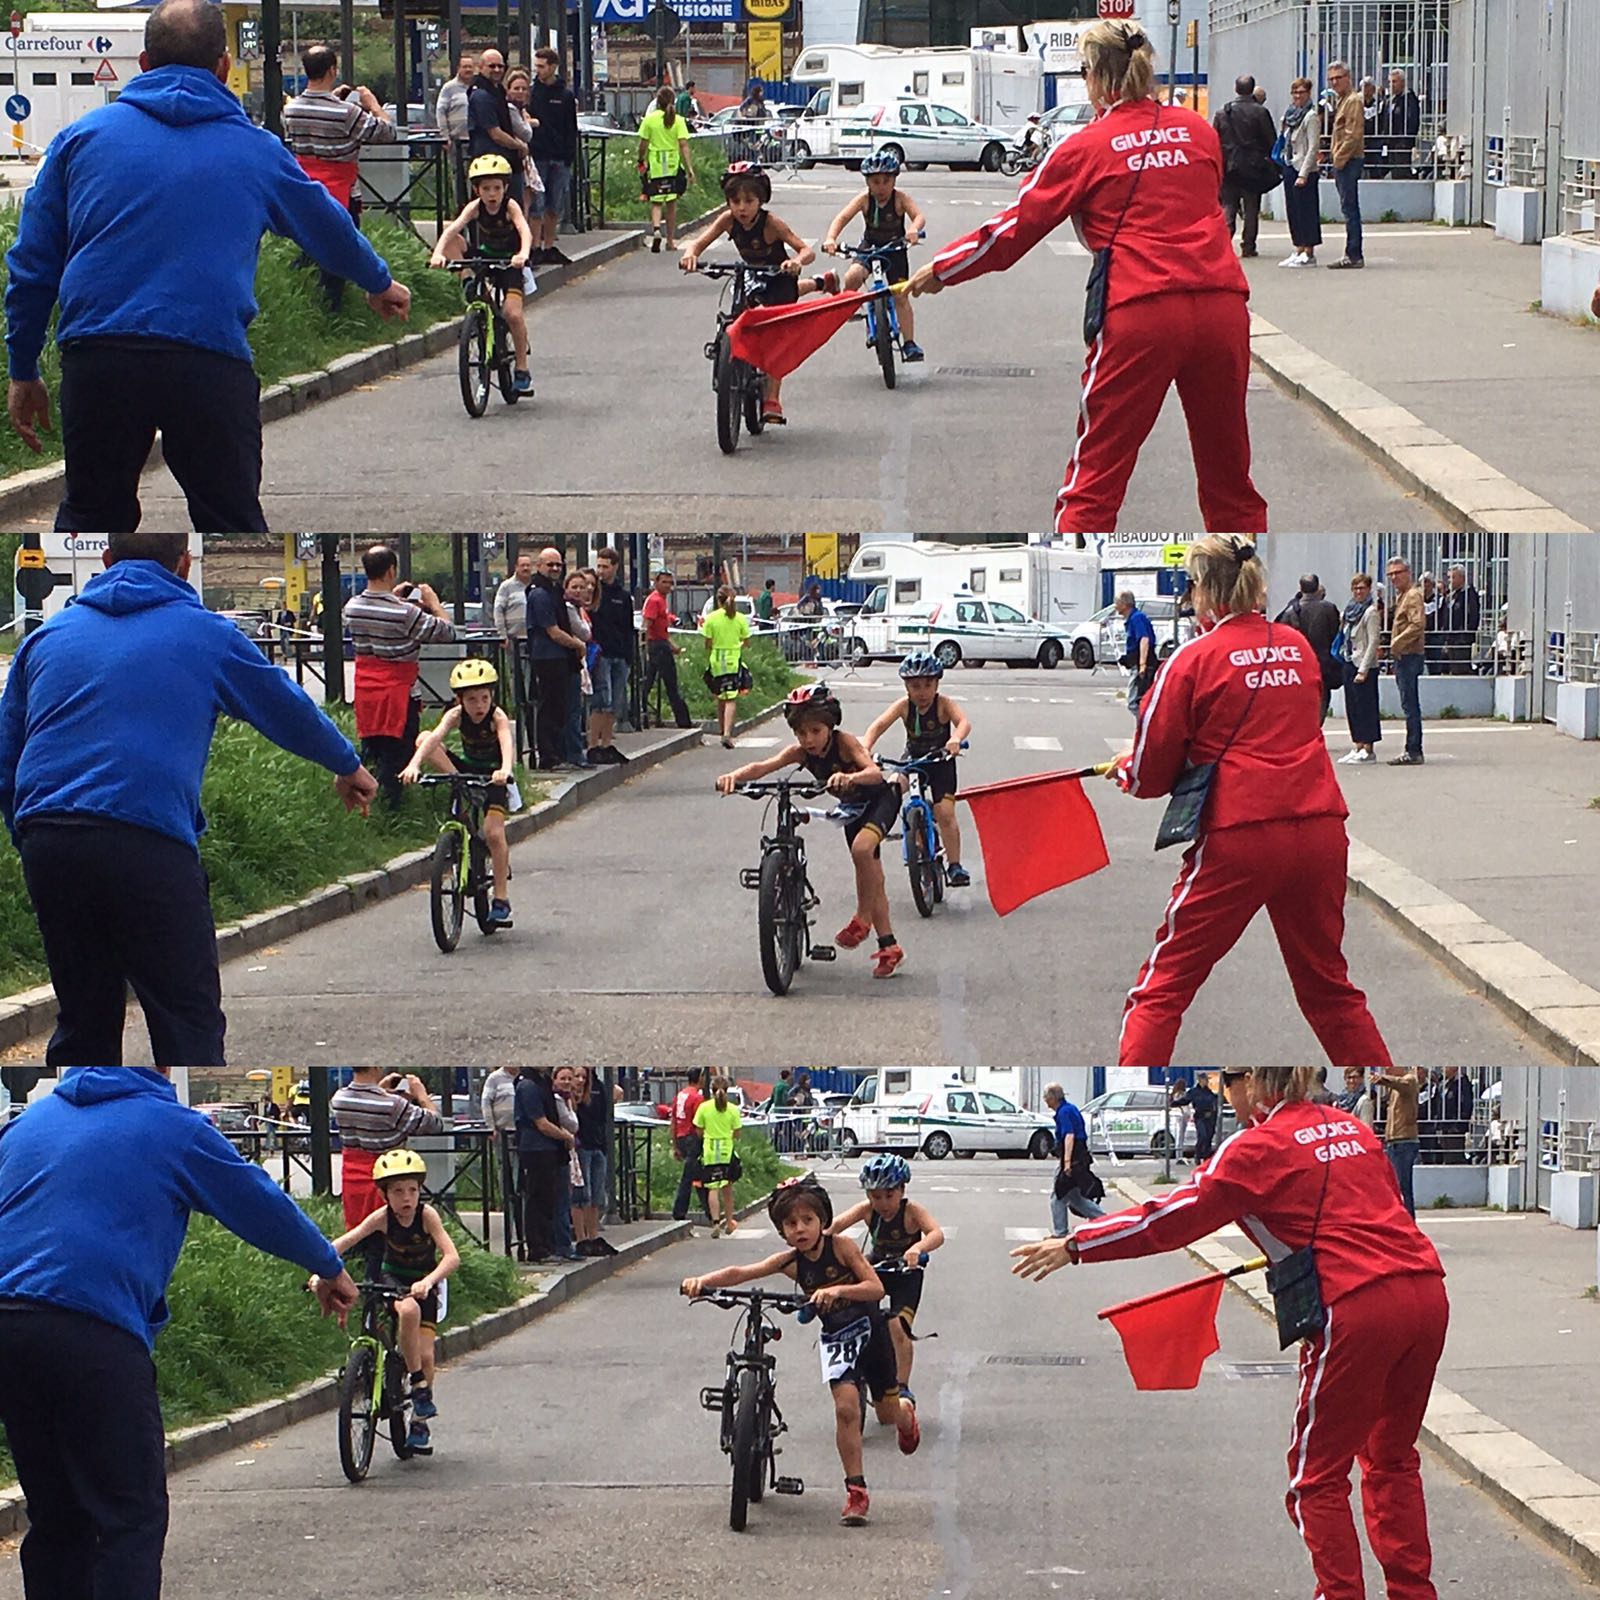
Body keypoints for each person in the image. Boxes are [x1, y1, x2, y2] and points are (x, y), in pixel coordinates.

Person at [1014, 1065, 1449, 1600]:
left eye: (1226, 1082)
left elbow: (1170, 1218)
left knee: (1315, 1479)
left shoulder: (1254, 1147)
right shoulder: (1350, 1127)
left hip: (1355, 1305)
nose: (1224, 1094)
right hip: (1425, 1291)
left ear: (1253, 1083)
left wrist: (1078, 1245)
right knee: (1392, 1460)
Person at [3, 0, 409, 534]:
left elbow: (33, 263)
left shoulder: (82, 139)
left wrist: (24, 366)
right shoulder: (255, 149)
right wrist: (378, 281)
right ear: (222, 67)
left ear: (143, 63)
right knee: (231, 523)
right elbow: (325, 225)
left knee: (91, 516)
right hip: (208, 357)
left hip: (100, 357)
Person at [0, 529, 376, 1069]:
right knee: (186, 1012)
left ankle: (85, 1127)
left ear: (105, 561)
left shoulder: (46, 637)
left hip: (51, 837)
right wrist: (347, 764)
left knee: (84, 1013)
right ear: (184, 563)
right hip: (147, 836)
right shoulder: (206, 634)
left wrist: (33, 835)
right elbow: (283, 705)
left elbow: (6, 756)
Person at [0, 1068, 360, 1600]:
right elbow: (257, 1201)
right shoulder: (173, 1127)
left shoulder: (29, 1123)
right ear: (163, 1068)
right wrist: (327, 1264)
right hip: (91, 1328)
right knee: (130, 1517)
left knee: (57, 1516)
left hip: (9, 1327)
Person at [909, 20, 1266, 537]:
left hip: (1140, 308)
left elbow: (1013, 229)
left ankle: (1078, 546)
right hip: (1221, 306)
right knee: (1230, 477)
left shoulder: (1085, 145)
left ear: (1098, 76)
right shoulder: (1198, 131)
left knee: (1095, 477)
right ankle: (1242, 558)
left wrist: (944, 268)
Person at [1109, 535, 1393, 1070]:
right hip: (1319, 825)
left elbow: (1150, 772)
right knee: (1330, 990)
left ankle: (1134, 1078)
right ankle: (1379, 1086)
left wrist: (1126, 768)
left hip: (1239, 830)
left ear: (1203, 591)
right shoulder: (1294, 646)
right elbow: (1297, 721)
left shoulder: (1193, 659)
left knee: (1163, 988)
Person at [682, 1175, 919, 1527]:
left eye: (808, 1220)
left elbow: (875, 1288)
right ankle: (856, 1491)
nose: (800, 1229)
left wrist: (838, 1292)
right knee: (846, 1410)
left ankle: (905, 1413)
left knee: (887, 1410)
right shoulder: (790, 1261)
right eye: (791, 1224)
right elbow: (742, 1272)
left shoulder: (842, 1248)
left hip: (871, 1335)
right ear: (782, 1231)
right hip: (838, 1340)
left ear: (822, 1221)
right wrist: (702, 1281)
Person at [718, 683, 905, 980]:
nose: (808, 740)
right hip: (851, 809)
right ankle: (889, 946)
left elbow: (873, 773)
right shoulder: (800, 753)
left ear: (830, 726)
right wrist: (733, 777)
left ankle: (862, 918)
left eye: (815, 731)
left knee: (862, 851)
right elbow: (763, 766)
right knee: (868, 872)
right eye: (801, 733)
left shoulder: (845, 743)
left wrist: (848, 776)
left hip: (880, 799)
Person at [323, 1147, 460, 1455]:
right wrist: (319, 1265)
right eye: (398, 1191)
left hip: (424, 1284)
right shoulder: (382, 1218)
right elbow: (348, 1240)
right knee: (406, 1309)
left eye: (412, 1189)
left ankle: (419, 1420)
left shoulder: (427, 1216)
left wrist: (429, 1280)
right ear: (385, 1194)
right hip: (392, 1281)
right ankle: (417, 1385)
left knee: (426, 1355)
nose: (407, 1198)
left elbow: (452, 1257)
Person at [682, 163, 837, 426]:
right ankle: (822, 282)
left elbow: (805, 250)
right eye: (735, 201)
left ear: (761, 200)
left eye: (749, 201)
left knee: (774, 337)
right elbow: (700, 242)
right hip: (751, 276)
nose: (742, 208)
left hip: (779, 278)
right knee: (740, 316)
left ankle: (771, 399)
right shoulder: (728, 220)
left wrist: (796, 262)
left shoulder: (772, 223)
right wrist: (691, 254)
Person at [400, 657, 519, 927]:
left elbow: (506, 741)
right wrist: (414, 765)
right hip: (466, 769)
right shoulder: (455, 715)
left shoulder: (496, 717)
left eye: (484, 698)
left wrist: (504, 770)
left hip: (494, 776)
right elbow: (435, 737)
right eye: (472, 700)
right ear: (460, 701)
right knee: (422, 738)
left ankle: (500, 898)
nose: (479, 706)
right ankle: (458, 784)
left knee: (493, 833)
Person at [281, 43, 397, 310]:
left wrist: (333, 97)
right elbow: (386, 133)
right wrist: (373, 104)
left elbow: (318, 113)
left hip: (306, 189)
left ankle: (301, 296)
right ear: (333, 70)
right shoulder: (347, 113)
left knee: (310, 245)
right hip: (341, 191)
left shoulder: (292, 109)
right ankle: (333, 308)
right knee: (342, 249)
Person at [343, 543, 457, 805]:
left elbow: (375, 609)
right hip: (398, 691)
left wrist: (393, 595)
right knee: (397, 754)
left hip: (366, 690)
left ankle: (364, 799)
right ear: (391, 570)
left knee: (371, 749)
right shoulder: (406, 613)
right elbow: (446, 632)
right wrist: (433, 602)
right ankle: (390, 806)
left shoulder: (352, 606)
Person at [829, 1153, 944, 1398]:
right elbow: (833, 1227)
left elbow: (936, 1233)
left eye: (889, 1195)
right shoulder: (867, 1210)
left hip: (906, 1274)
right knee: (853, 1314)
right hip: (877, 1266)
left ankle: (902, 1386)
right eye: (875, 1196)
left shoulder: (911, 1211)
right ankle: (859, 1364)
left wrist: (917, 1248)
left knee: (899, 1327)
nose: (882, 1203)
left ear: (902, 1190)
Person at [862, 650, 973, 887]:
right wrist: (865, 748)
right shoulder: (903, 706)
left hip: (940, 763)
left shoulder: (944, 705)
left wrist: (955, 739)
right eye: (915, 686)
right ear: (906, 688)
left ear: (936, 684)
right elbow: (879, 725)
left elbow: (963, 722)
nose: (921, 692)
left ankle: (954, 865)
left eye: (927, 685)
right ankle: (899, 832)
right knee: (891, 789)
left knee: (945, 813)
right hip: (912, 760)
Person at [431, 153, 534, 394]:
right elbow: (453, 230)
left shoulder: (510, 206)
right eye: (485, 188)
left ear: (505, 188)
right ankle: (467, 280)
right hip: (484, 256)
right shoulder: (475, 207)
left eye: (497, 188)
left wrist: (523, 254)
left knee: (513, 314)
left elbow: (525, 230)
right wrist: (437, 254)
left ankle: (521, 367)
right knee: (452, 238)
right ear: (477, 190)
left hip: (511, 262)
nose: (491, 194)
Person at [823, 150, 928, 361]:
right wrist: (831, 239)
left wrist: (913, 230)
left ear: (894, 180)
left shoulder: (900, 199)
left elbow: (918, 216)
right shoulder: (864, 200)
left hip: (895, 247)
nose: (881, 187)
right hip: (869, 246)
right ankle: (850, 307)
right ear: (867, 182)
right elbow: (842, 217)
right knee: (852, 277)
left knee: (901, 295)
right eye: (875, 182)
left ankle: (909, 343)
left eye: (886, 181)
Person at [330, 1068, 447, 1230]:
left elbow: (367, 1103)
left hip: (352, 1177)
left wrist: (381, 1089)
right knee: (388, 1231)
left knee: (357, 1231)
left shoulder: (339, 1099)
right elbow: (435, 1124)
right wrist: (422, 1094)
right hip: (387, 1178)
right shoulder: (393, 1105)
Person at [526, 546, 588, 769]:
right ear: (539, 566)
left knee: (560, 708)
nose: (554, 568)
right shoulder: (540, 593)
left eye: (558, 565)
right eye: (550, 564)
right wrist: (577, 644)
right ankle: (548, 756)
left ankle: (558, 754)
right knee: (550, 708)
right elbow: (552, 630)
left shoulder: (553, 590)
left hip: (559, 657)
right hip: (547, 657)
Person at [515, 1064, 576, 1262]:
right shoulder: (528, 1086)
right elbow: (540, 1123)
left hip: (549, 1149)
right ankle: (538, 1248)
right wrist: (564, 1136)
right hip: (535, 1148)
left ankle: (549, 1246)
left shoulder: (542, 1082)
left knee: (548, 1200)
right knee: (537, 1200)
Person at [1213, 74, 1277, 259]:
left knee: (1228, 205)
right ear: (1252, 89)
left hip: (1229, 165)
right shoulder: (1260, 112)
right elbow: (1270, 139)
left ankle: (1224, 245)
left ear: (1236, 89)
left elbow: (1214, 139)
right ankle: (1248, 246)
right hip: (1253, 166)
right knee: (1251, 208)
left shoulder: (1222, 113)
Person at [527, 47, 580, 265]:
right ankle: (534, 247)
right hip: (538, 155)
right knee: (537, 204)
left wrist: (569, 156)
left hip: (559, 157)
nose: (538, 71)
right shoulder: (532, 92)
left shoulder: (565, 95)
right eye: (536, 66)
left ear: (553, 66)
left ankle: (549, 245)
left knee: (554, 205)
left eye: (541, 66)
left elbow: (571, 127)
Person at [588, 547, 635, 764]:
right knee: (601, 700)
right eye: (599, 566)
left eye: (605, 567)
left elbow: (627, 627)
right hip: (602, 654)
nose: (601, 571)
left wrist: (628, 655)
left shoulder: (623, 596)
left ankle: (607, 743)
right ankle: (593, 745)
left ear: (615, 567)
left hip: (620, 654)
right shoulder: (594, 594)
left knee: (614, 703)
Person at [1276, 572, 1343, 722]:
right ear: (1318, 587)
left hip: (1298, 663)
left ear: (1300, 588)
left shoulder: (1290, 611)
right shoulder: (1328, 608)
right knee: (1322, 697)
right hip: (1323, 661)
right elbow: (1335, 632)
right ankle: (1316, 726)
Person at [467, 48, 527, 211]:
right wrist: (519, 146)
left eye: (500, 66)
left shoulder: (497, 91)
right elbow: (495, 133)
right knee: (499, 211)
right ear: (481, 67)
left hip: (505, 160)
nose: (497, 70)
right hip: (490, 162)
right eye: (492, 66)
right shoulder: (481, 95)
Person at [637, 86, 696, 253]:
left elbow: (643, 144)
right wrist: (689, 169)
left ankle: (656, 230)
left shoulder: (649, 120)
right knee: (671, 202)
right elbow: (683, 146)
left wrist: (641, 159)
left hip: (656, 164)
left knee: (656, 200)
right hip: (672, 164)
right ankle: (670, 241)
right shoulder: (677, 120)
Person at [1043, 1083, 1105, 1237]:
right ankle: (1104, 1220)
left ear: (1052, 1097)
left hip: (1073, 1157)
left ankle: (1060, 1232)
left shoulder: (1064, 1112)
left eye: (1046, 1097)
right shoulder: (1070, 1108)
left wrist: (1067, 1162)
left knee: (1058, 1196)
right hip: (1080, 1156)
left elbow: (1069, 1136)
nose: (1045, 1100)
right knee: (1075, 1198)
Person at [1338, 571, 1383, 764]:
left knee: (1366, 707)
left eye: (1362, 588)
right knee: (1352, 706)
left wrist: (1363, 669)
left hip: (1364, 665)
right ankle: (1357, 744)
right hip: (1349, 661)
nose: (1358, 591)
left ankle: (1368, 748)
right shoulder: (1349, 610)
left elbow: (1373, 642)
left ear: (1368, 589)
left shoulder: (1370, 612)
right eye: (1355, 588)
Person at [1278, 77, 1323, 267]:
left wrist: (1304, 173)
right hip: (1289, 165)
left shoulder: (1310, 116)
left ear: (1308, 93)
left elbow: (1313, 147)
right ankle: (1298, 247)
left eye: (1301, 92)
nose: (1297, 96)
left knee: (1306, 211)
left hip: (1304, 169)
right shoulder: (1290, 115)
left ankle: (1309, 251)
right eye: (1294, 92)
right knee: (1293, 210)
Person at [641, 570, 693, 730]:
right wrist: (644, 646)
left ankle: (637, 713)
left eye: (670, 583)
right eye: (664, 582)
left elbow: (661, 630)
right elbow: (647, 625)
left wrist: (671, 646)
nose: (668, 586)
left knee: (648, 682)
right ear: (656, 583)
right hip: (656, 646)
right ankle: (684, 722)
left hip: (660, 644)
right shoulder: (655, 600)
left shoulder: (661, 601)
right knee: (670, 684)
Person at [1387, 556, 1426, 766]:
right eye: (1391, 574)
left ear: (1408, 573)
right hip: (1404, 655)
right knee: (1408, 703)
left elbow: (1417, 624)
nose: (1394, 578)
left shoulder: (1412, 596)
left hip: (1409, 655)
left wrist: (1396, 643)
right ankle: (1412, 748)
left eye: (1397, 573)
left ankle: (1413, 750)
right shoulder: (1402, 596)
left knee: (1410, 704)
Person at [702, 584, 752, 748]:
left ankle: (721, 730)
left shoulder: (711, 618)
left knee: (720, 697)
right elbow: (747, 642)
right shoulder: (739, 618)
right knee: (731, 698)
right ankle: (727, 734)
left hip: (716, 660)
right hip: (732, 660)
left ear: (717, 600)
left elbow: (707, 643)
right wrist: (736, 645)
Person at [693, 1076, 743, 1237]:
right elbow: (737, 1132)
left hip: (709, 1150)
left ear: (711, 1089)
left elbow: (699, 1130)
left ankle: (715, 1222)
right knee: (727, 1187)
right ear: (727, 1091)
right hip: (726, 1151)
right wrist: (727, 1135)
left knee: (712, 1187)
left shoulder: (704, 1108)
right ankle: (729, 1222)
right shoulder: (732, 1109)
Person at [1327, 61, 1365, 269]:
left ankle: (1354, 253)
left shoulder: (1352, 101)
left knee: (1350, 208)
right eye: (1331, 79)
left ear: (1348, 78)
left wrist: (1338, 159)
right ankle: (1352, 252)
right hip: (1345, 159)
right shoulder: (1343, 100)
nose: (1334, 82)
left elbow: (1353, 134)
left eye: (1338, 78)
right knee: (1348, 207)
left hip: (1349, 160)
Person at [572, 1067, 612, 1254]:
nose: (580, 1080)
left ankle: (593, 1235)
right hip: (581, 1146)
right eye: (577, 1076)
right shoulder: (571, 1095)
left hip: (597, 1145)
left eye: (583, 1077)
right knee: (582, 1194)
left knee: (596, 1195)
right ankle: (581, 1237)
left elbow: (603, 1115)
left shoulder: (599, 1087)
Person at [670, 1067, 713, 1223]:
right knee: (689, 1177)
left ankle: (711, 1213)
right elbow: (699, 1122)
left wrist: (674, 1144)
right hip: (692, 1139)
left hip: (681, 1137)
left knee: (699, 1176)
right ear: (699, 1078)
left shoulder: (680, 1095)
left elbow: (673, 1121)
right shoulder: (697, 1098)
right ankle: (679, 1211)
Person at [436, 53, 478, 204]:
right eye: (465, 66)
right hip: (456, 140)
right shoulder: (449, 88)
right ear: (458, 69)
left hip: (475, 139)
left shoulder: (477, 86)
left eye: (470, 67)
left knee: (475, 175)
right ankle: (460, 207)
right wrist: (444, 136)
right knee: (458, 175)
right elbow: (440, 111)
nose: (468, 70)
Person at [551, 1067, 583, 1261]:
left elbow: (574, 1123)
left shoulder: (567, 1100)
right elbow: (570, 1123)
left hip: (569, 1149)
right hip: (560, 1150)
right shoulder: (557, 1100)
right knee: (561, 1200)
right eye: (562, 1078)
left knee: (567, 1197)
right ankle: (562, 1244)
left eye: (569, 1078)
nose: (566, 1082)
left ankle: (564, 1243)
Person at [1115, 591, 1159, 719]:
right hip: (1137, 662)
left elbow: (1144, 639)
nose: (1115, 606)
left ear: (1125, 604)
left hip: (1143, 664)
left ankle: (1145, 728)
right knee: (1139, 700)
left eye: (1117, 602)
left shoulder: (1136, 618)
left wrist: (1142, 664)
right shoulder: (1134, 618)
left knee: (1134, 702)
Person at [1375, 70, 1420, 178]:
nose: (1391, 85)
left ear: (1403, 82)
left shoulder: (1409, 99)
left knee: (1401, 173)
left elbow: (1413, 121)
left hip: (1402, 144)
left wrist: (1406, 141)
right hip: (1389, 143)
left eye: (1394, 82)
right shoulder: (1389, 100)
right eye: (1390, 82)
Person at [1440, 566, 1481, 676]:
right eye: (1449, 577)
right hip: (1451, 638)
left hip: (1461, 639)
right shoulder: (1451, 594)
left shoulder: (1469, 594)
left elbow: (1473, 616)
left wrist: (1466, 633)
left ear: (1462, 578)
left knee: (1461, 669)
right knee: (1452, 668)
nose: (1449, 580)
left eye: (1453, 577)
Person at [1171, 1072, 1219, 1160]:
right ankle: (1198, 1154)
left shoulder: (1210, 1092)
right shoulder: (1194, 1092)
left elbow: (1217, 1102)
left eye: (1207, 1080)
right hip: (1200, 1116)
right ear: (1200, 1080)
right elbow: (1185, 1100)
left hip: (1211, 1117)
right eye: (1205, 1079)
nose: (1207, 1081)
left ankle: (1206, 1157)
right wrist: (1173, 1103)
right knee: (1202, 1135)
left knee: (1209, 1136)